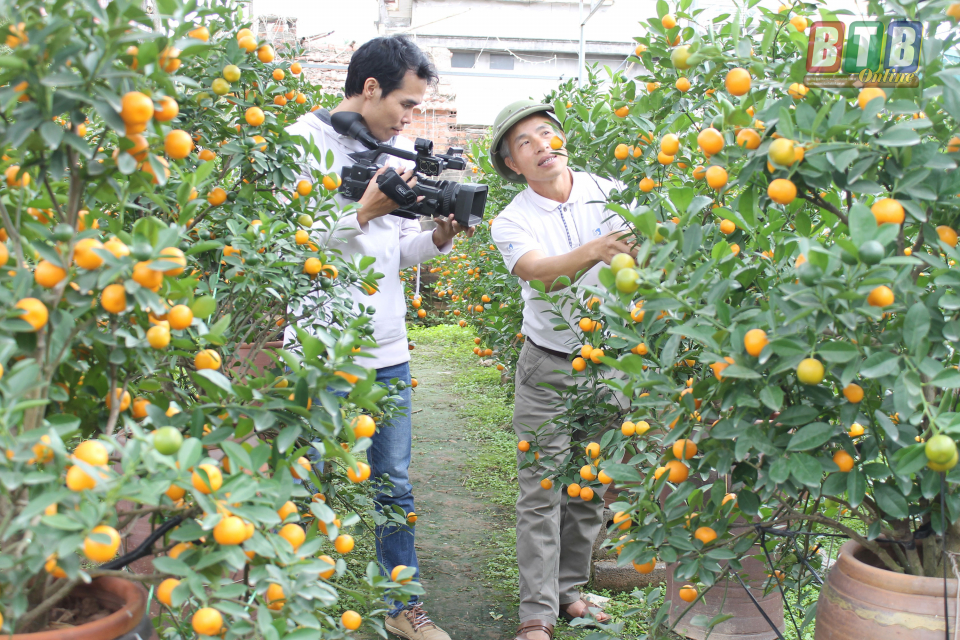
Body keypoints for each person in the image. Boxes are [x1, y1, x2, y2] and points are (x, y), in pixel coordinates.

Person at [285, 36, 472, 640]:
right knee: (306, 478)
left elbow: (394, 251)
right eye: (406, 103)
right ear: (371, 88)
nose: (409, 118)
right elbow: (285, 246)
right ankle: (292, 603)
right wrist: (362, 212)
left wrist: (437, 238)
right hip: (318, 350)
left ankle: (401, 605)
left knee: (394, 483)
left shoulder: (398, 152)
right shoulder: (299, 141)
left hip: (386, 348)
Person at [488, 100, 636, 640]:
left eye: (546, 133)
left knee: (591, 484)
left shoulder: (611, 193)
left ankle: (569, 591)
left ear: (562, 138)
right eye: (525, 142)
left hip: (610, 361)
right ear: (513, 163)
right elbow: (538, 273)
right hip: (548, 366)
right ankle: (536, 613)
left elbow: (644, 253)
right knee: (541, 488)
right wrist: (595, 250)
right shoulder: (511, 220)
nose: (541, 146)